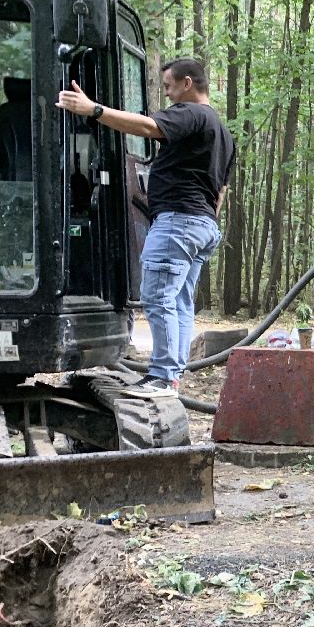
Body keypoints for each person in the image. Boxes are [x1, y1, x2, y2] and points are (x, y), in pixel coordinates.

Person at [57, 57, 235, 398]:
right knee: (180, 300)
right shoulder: (223, 134)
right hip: (203, 225)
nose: (166, 94)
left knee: (159, 297)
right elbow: (221, 193)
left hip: (178, 223)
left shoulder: (193, 113)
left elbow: (147, 127)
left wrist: (93, 109)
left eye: (168, 86)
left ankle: (163, 376)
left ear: (187, 83)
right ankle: (171, 375)